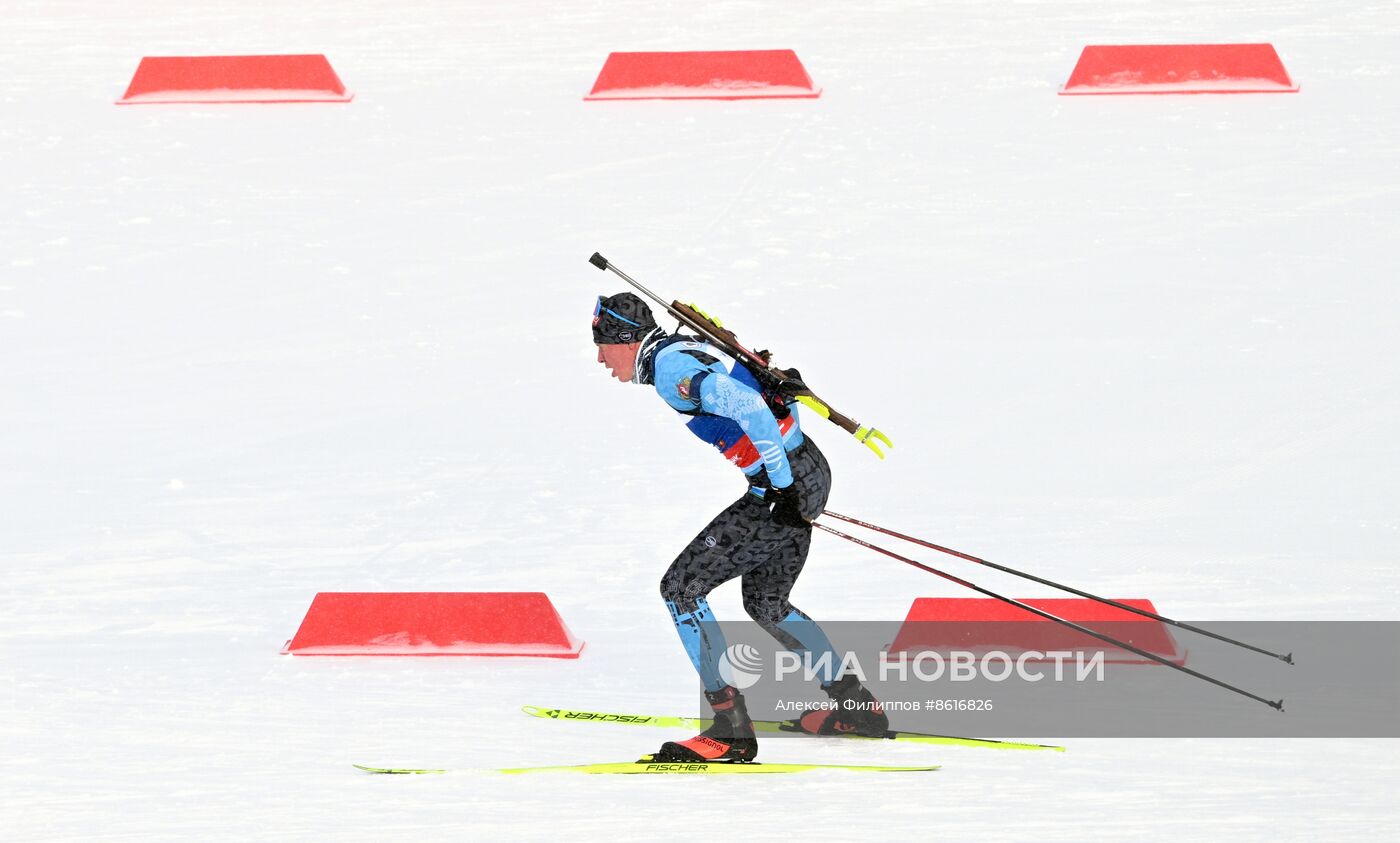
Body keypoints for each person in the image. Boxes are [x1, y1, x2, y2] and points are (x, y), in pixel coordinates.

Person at [592, 291, 888, 762]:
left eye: (602, 347)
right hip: (809, 469)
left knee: (680, 588)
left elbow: (748, 406)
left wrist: (782, 488)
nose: (601, 360)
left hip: (782, 483)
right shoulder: (688, 346)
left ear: (625, 341)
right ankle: (857, 708)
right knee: (767, 603)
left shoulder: (672, 371)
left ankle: (729, 728)